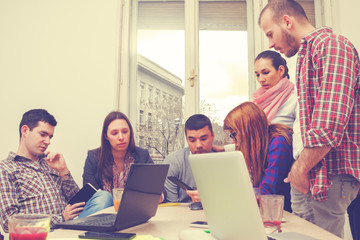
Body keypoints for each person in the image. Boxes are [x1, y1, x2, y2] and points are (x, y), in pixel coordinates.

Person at [259, 0, 360, 238]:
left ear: (287, 21)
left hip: (324, 174)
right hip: (312, 174)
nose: (271, 44)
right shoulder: (307, 55)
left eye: (271, 34)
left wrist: (300, 169)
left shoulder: (332, 46)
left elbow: (330, 122)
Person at [0, 109, 105, 232]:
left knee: (103, 196)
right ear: (25, 131)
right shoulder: (6, 169)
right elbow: (9, 222)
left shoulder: (51, 163)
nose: (48, 142)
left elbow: (78, 202)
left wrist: (63, 171)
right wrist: (61, 218)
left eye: (50, 137)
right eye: (43, 134)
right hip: (41, 235)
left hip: (70, 227)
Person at [223, 102, 294, 212]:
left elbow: (267, 192)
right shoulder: (259, 145)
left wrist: (226, 199)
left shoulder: (279, 142)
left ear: (247, 131)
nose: (233, 141)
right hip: (271, 211)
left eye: (234, 134)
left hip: (285, 213)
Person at [82, 111, 154, 205]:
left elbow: (159, 188)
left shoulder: (142, 156)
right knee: (104, 197)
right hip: (103, 213)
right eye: (114, 133)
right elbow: (89, 195)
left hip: (134, 211)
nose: (121, 137)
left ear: (130, 133)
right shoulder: (94, 157)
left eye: (125, 132)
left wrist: (159, 196)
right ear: (106, 136)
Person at [163, 114, 214, 203]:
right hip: (181, 214)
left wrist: (209, 200)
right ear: (187, 140)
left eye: (203, 139)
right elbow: (172, 206)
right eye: (192, 140)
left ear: (212, 136)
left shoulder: (226, 162)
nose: (198, 145)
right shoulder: (172, 162)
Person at [253, 50, 297, 127]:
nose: (261, 79)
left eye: (266, 72)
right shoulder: (256, 102)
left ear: (281, 70)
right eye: (257, 75)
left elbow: (300, 135)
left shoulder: (295, 100)